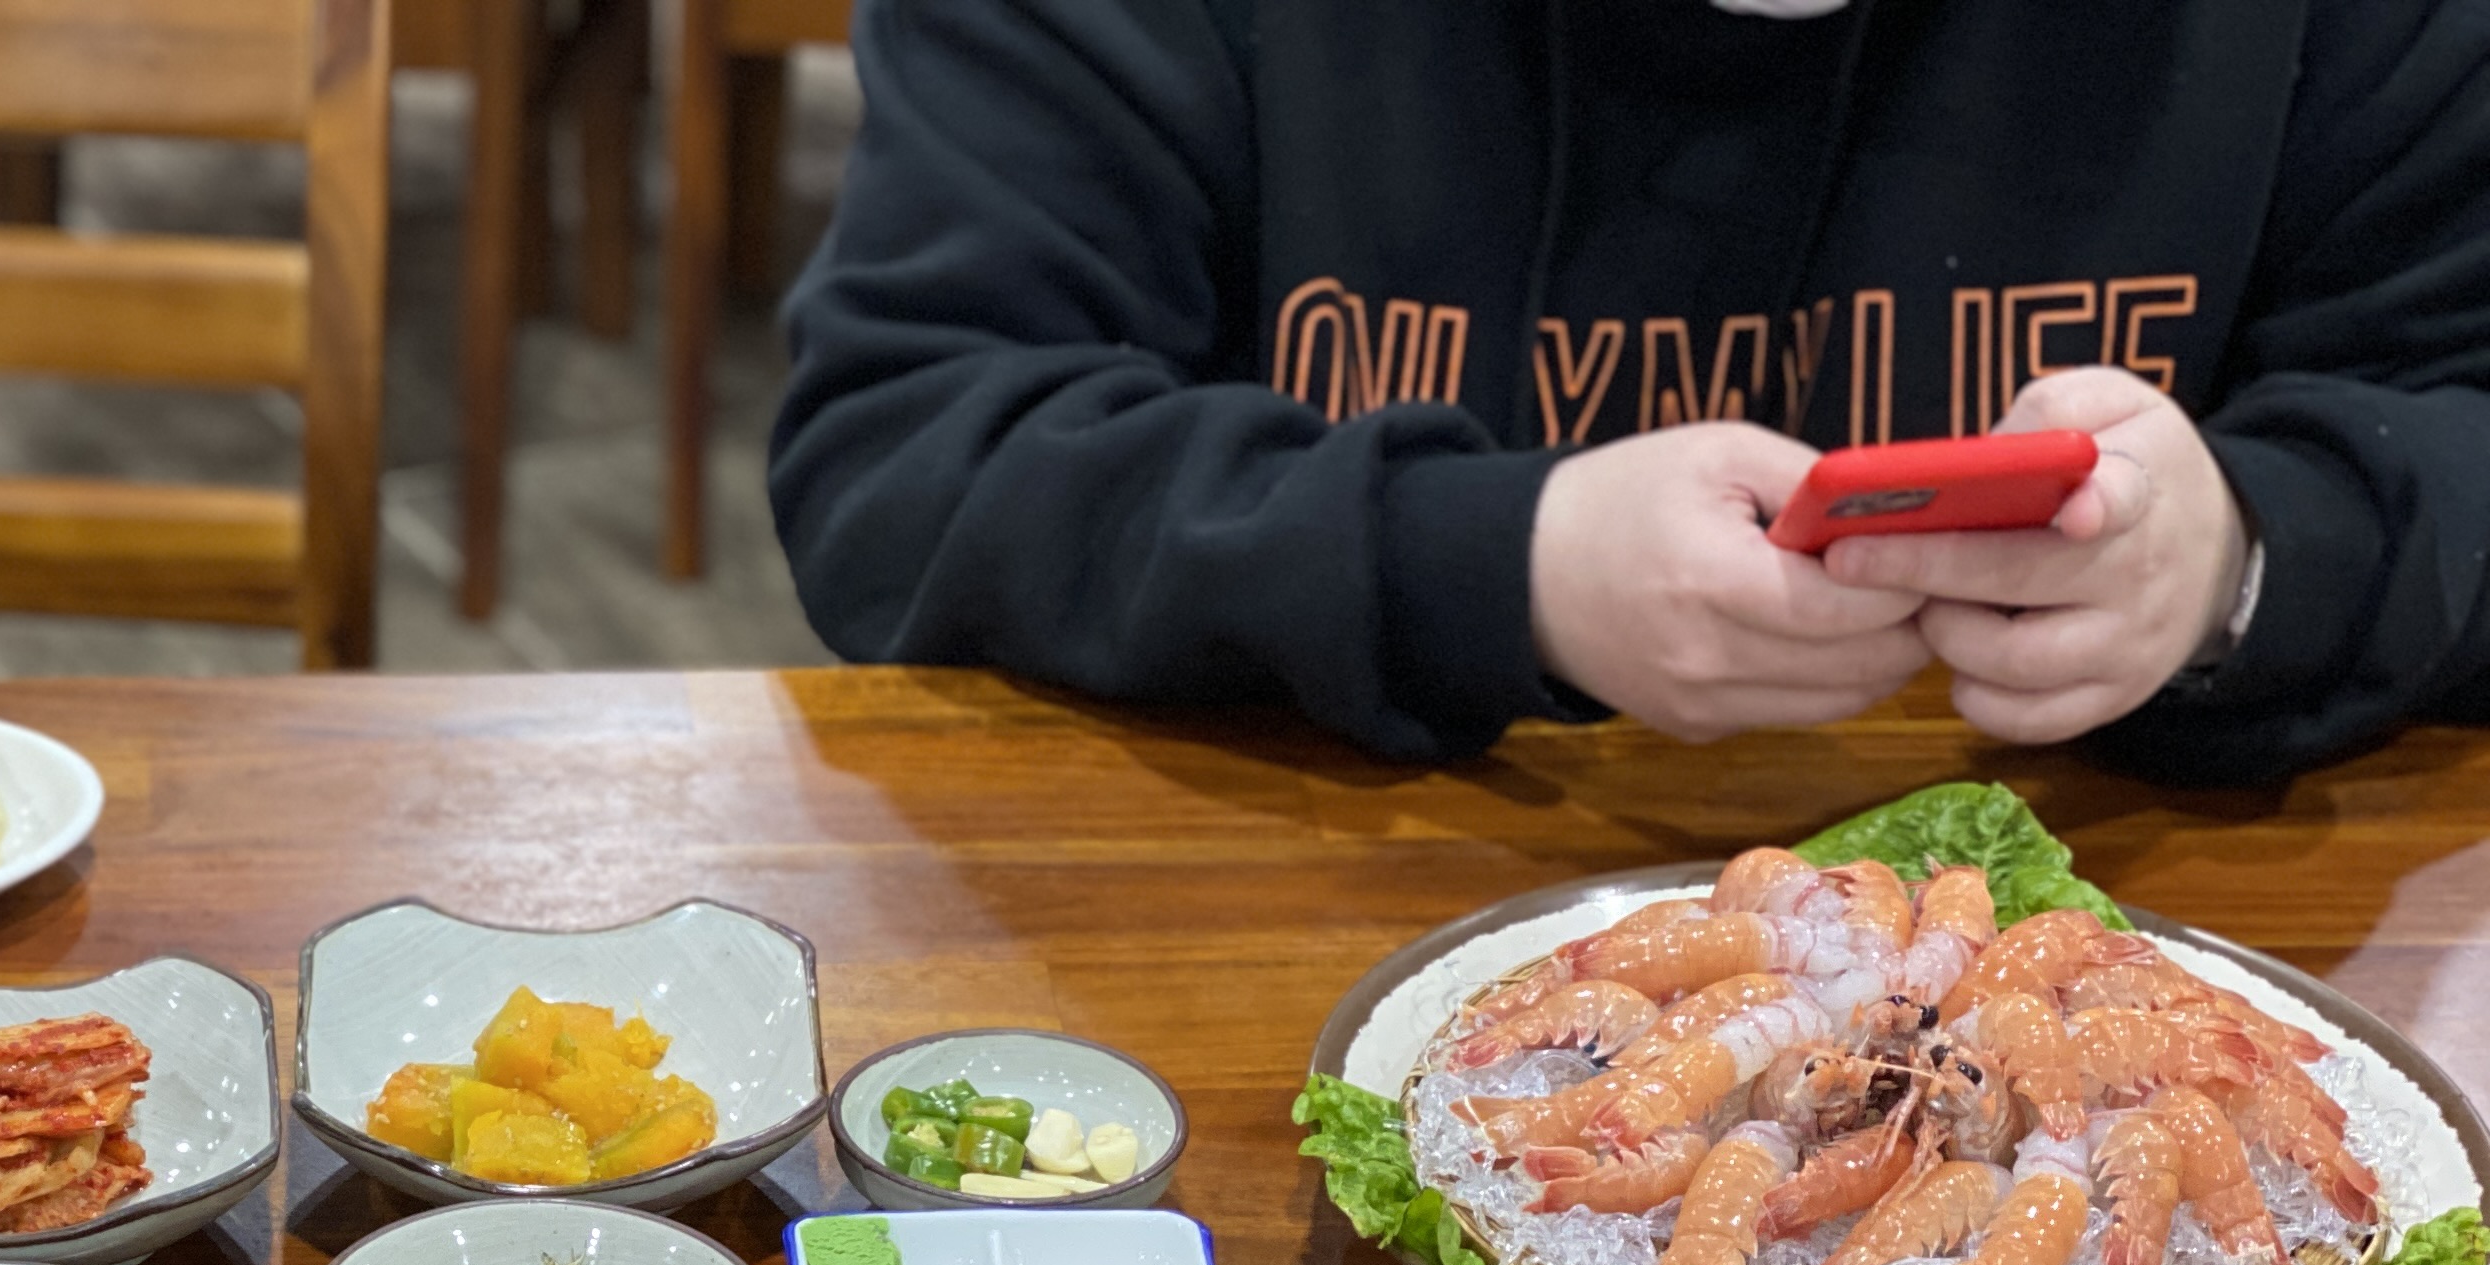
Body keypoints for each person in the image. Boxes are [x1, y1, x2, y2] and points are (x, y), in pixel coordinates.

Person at [767, 0, 2490, 781]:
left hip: (2128, 991)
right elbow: (906, 452)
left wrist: (2244, 561)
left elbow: (2451, 407)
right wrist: (1495, 563)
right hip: (1286, 966)